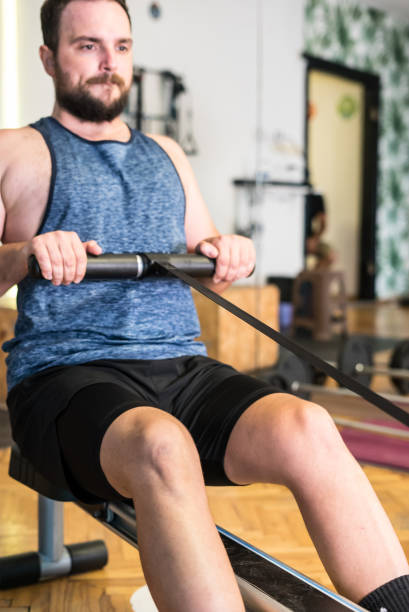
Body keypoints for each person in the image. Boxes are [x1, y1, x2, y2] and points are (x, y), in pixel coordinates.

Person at [0, 1, 408, 610]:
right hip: (67, 377)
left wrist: (229, 252)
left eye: (121, 46)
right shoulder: (16, 150)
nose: (108, 62)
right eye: (87, 46)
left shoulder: (168, 155)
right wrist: (28, 251)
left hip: (183, 372)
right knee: (163, 446)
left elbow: (210, 258)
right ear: (49, 57)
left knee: (308, 426)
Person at [305, 191, 336, 269]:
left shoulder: (316, 196)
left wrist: (314, 239)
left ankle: (310, 278)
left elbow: (323, 224)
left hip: (309, 238)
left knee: (331, 256)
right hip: (290, 238)